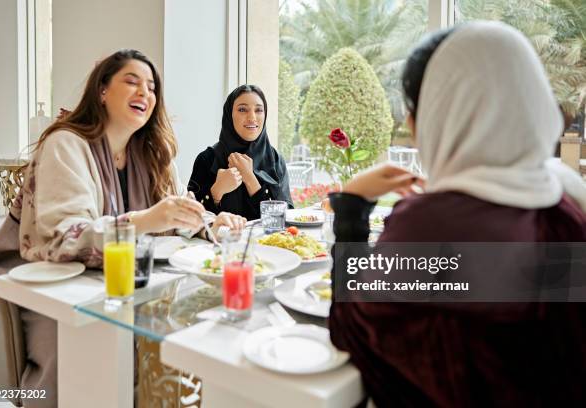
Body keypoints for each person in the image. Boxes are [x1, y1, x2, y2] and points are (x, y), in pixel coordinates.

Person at [328, 22, 586, 407]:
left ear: (432, 118)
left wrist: (351, 206)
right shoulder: (566, 202)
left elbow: (350, 328)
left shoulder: (430, 225)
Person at [0, 49, 245, 408]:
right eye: (131, 82)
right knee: (85, 350)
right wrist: (149, 220)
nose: (144, 93)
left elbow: (175, 212)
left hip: (114, 280)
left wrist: (211, 223)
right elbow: (64, 236)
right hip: (41, 282)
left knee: (189, 331)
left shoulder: (152, 153)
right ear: (102, 90)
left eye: (151, 87)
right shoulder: (65, 144)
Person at [188, 85, 293, 220]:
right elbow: (189, 219)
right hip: (222, 241)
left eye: (259, 110)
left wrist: (250, 179)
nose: (252, 117)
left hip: (265, 241)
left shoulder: (275, 160)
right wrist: (216, 192)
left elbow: (286, 218)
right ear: (229, 115)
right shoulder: (207, 159)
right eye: (242, 109)